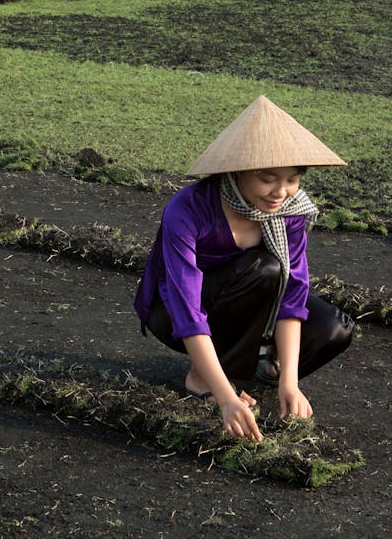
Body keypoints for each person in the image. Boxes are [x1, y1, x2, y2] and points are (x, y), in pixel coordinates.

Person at [135, 96, 354, 442]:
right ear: (237, 171)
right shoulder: (188, 209)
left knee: (334, 327)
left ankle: (261, 368)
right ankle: (205, 376)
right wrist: (223, 398)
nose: (281, 192)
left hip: (251, 305)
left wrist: (290, 382)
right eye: (268, 179)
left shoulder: (290, 212)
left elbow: (292, 297)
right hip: (175, 313)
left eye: (293, 180)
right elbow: (185, 306)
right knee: (264, 268)